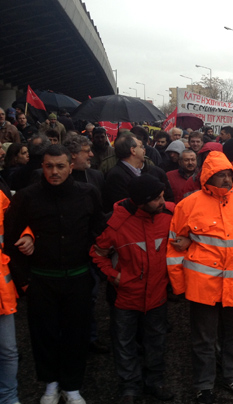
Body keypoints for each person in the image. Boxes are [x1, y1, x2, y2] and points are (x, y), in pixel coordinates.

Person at [167, 152, 233, 401]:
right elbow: (174, 247)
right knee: (203, 338)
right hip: (202, 286)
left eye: (229, 175)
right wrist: (179, 286)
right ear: (207, 177)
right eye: (221, 175)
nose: (226, 179)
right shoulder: (189, 204)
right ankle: (204, 385)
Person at [5, 144, 105, 404]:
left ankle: (72, 386)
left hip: (79, 276)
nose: (54, 172)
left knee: (76, 334)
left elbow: (98, 231)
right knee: (44, 335)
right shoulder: (26, 197)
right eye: (49, 166)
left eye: (60, 166)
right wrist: (24, 281)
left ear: (70, 166)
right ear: (42, 167)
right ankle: (50, 384)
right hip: (41, 278)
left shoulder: (88, 193)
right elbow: (11, 239)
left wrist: (96, 267)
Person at [90, 175, 175, 403]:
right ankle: (129, 387)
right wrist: (114, 277)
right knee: (124, 343)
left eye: (162, 195)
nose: (163, 201)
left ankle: (154, 382)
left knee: (155, 341)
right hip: (126, 298)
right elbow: (97, 254)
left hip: (157, 295)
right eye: (156, 198)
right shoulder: (116, 224)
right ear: (140, 202)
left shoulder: (168, 214)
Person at [104, 133, 173, 211]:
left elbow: (169, 198)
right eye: (141, 147)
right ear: (133, 151)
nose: (144, 150)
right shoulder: (116, 176)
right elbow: (124, 206)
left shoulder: (155, 171)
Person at [0, 189, 19, 404]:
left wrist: (27, 235)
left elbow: (18, 221)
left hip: (2, 292)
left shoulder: (0, 198)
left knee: (8, 351)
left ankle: (8, 398)